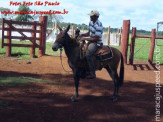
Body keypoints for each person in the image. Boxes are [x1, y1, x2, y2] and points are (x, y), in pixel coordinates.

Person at [78, 10, 103, 79]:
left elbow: (96, 38)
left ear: (96, 17)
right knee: (81, 50)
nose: (90, 17)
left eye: (92, 16)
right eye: (90, 15)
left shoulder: (99, 25)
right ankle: (85, 70)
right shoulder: (91, 22)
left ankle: (92, 73)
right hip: (91, 41)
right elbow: (89, 33)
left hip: (96, 43)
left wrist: (84, 39)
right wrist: (82, 35)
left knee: (88, 54)